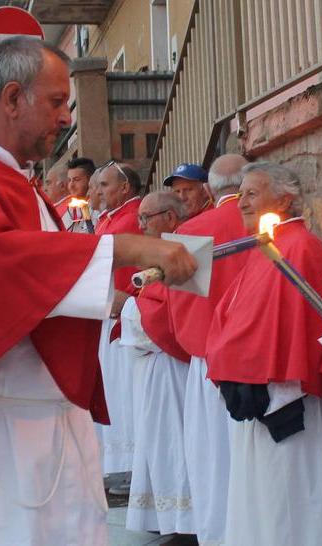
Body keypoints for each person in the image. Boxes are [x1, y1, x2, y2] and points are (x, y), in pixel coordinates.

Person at [0, 37, 196, 546]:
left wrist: (112, 297)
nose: (66, 117)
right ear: (12, 97)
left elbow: (41, 285)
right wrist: (130, 248)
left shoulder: (17, 184)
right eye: (56, 102)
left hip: (34, 422)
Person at [206, 162, 322, 546]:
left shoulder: (299, 247)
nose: (242, 203)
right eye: (241, 195)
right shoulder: (266, 247)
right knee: (264, 502)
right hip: (257, 393)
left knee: (291, 503)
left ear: (283, 199)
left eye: (252, 193)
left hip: (288, 399)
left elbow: (305, 325)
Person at [167, 153, 248, 546]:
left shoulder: (194, 231)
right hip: (263, 364)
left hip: (210, 361)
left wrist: (195, 350)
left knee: (214, 461)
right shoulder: (268, 225)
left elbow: (179, 311)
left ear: (210, 189)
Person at [123, 191, 196, 539]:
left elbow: (170, 311)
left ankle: (184, 520)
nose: (140, 226)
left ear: (169, 218)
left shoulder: (181, 253)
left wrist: (128, 310)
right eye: (138, 219)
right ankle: (165, 517)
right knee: (158, 439)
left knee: (175, 439)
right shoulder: (158, 253)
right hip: (155, 365)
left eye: (146, 218)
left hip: (173, 367)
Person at [93, 160, 144, 483]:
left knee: (123, 392)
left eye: (104, 186)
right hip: (109, 311)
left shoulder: (129, 220)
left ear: (125, 188)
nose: (98, 192)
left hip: (125, 315)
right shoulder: (111, 218)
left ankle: (126, 467)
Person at [64, 157, 97, 231]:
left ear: (91, 180)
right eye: (69, 180)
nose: (71, 185)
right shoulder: (68, 212)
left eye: (76, 180)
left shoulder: (99, 210)